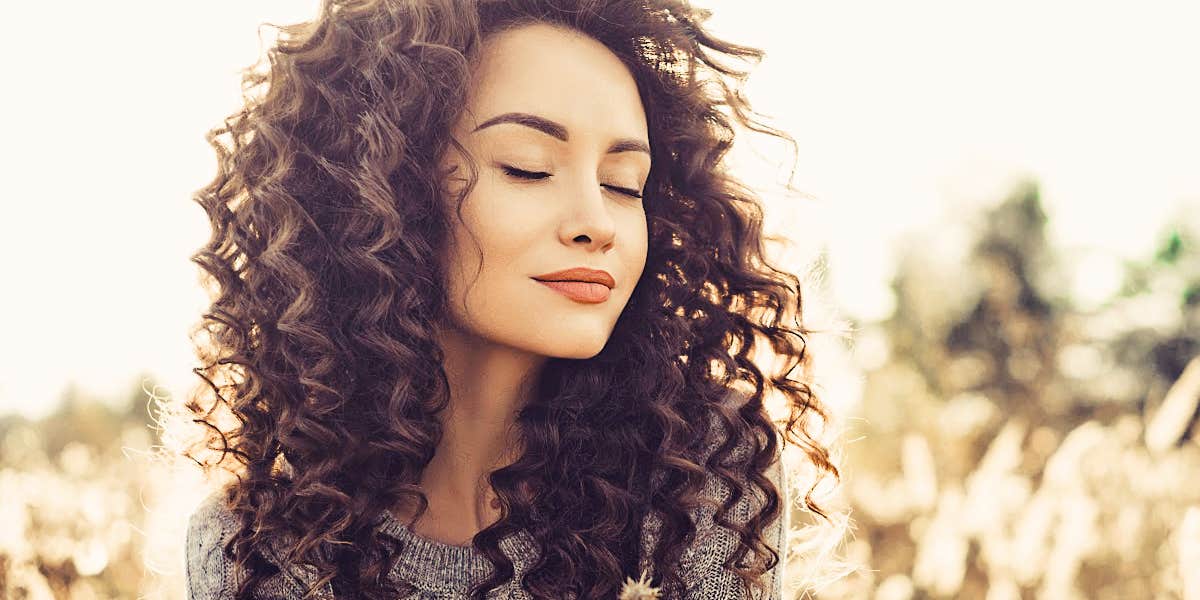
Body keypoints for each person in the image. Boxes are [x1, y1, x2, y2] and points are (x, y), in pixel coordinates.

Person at [180, 0, 840, 598]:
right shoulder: (260, 547)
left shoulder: (700, 473)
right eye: (528, 167)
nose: (597, 221)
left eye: (623, 183)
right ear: (382, 196)